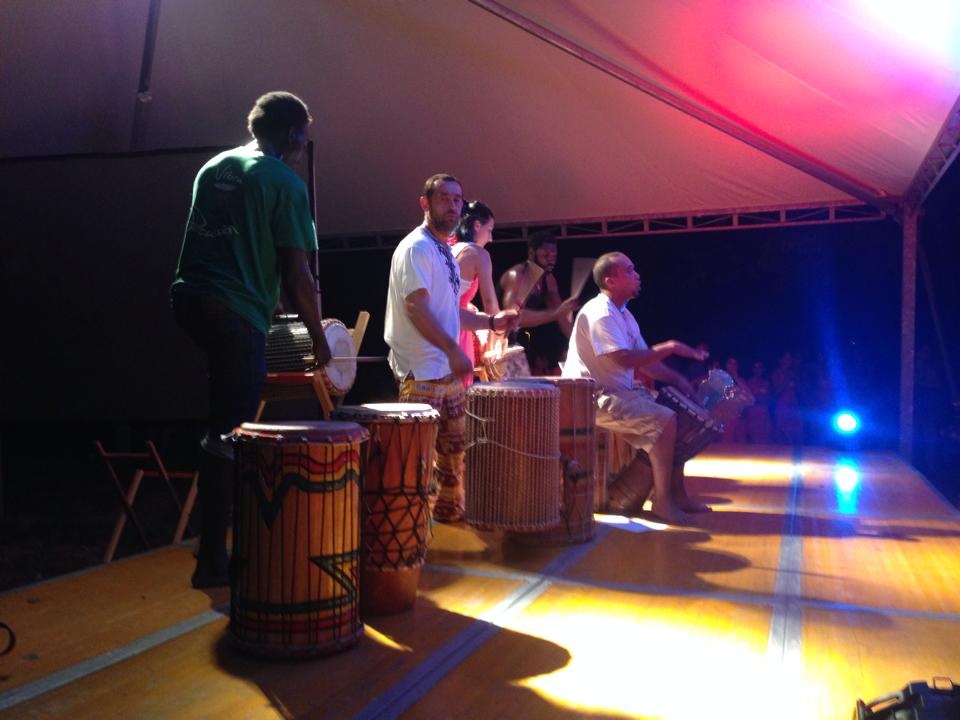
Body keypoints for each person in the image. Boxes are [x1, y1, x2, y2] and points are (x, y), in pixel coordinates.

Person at [170, 91, 331, 588]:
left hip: (189, 298)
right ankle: (214, 560)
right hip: (232, 310)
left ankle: (218, 545)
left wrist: (264, 295)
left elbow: (233, 239)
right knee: (231, 432)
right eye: (303, 137)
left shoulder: (215, 167)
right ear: (293, 134)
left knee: (224, 419)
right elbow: (298, 273)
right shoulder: (283, 180)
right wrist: (319, 338)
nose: (302, 147)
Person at [384, 174, 517, 522]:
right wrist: (454, 350)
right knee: (417, 459)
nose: (453, 206)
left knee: (452, 455)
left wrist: (491, 322)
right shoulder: (416, 248)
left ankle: (444, 519)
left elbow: (450, 313)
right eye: (444, 198)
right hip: (421, 370)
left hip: (445, 369)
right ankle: (409, 529)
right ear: (425, 203)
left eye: (458, 200)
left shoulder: (444, 250)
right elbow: (416, 307)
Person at [562, 252, 709, 524]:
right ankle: (662, 501)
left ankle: (678, 494)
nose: (637, 275)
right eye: (629, 271)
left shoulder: (624, 315)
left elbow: (647, 362)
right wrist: (670, 347)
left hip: (616, 394)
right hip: (592, 398)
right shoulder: (600, 313)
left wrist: (677, 379)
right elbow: (623, 359)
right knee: (665, 419)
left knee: (677, 415)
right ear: (610, 281)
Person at [500, 231, 578, 375]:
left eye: (554, 256)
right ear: (532, 253)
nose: (551, 260)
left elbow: (562, 318)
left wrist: (583, 343)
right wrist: (556, 313)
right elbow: (513, 317)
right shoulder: (517, 275)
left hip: (514, 344)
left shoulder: (548, 280)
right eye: (546, 255)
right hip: (497, 342)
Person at [449, 200, 502, 387]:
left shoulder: (448, 250)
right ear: (477, 225)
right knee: (459, 392)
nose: (491, 238)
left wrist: (466, 305)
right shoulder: (478, 253)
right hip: (456, 330)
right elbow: (490, 305)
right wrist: (500, 334)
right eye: (489, 230)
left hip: (435, 328)